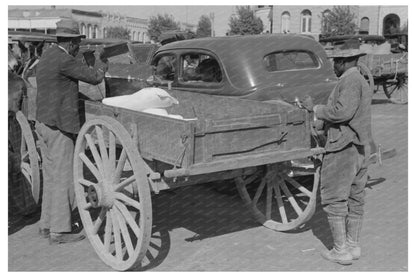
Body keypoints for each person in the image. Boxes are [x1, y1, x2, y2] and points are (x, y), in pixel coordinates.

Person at [35, 19, 109, 244]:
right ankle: (60, 231)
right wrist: (101, 61)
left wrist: (82, 60)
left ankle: (47, 225)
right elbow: (95, 77)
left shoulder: (47, 55)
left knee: (51, 177)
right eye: (77, 42)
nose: (78, 46)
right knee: (64, 176)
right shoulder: (65, 60)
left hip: (43, 123)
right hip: (59, 126)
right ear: (71, 43)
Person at [301, 49, 372, 265]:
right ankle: (352, 246)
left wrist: (315, 108)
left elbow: (343, 112)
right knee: (355, 197)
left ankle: (340, 251)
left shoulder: (350, 81)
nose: (333, 66)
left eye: (335, 62)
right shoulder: (360, 79)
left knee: (334, 198)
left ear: (342, 62)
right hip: (360, 147)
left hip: (344, 147)